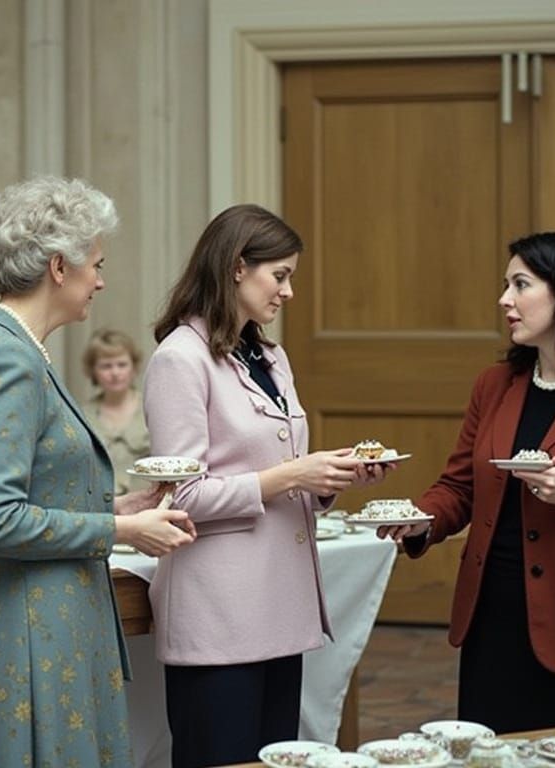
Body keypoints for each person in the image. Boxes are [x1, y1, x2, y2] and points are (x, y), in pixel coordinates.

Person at [0, 175, 196, 767]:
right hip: (31, 631)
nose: (100, 280)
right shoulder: (9, 359)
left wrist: (114, 508)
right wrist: (123, 533)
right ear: (58, 266)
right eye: (95, 264)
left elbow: (29, 491)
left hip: (25, 620)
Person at [142, 203, 390, 768]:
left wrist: (329, 476)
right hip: (219, 615)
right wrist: (291, 475)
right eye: (279, 275)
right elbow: (180, 496)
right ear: (235, 267)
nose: (288, 292)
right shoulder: (180, 359)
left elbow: (282, 465)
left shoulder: (270, 356)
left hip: (280, 608)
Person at [379, 232, 555, 733]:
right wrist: (418, 522)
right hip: (493, 619)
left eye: (521, 285)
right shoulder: (495, 384)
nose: (505, 300)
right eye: (506, 285)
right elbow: (459, 487)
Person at [81, 328, 150, 493]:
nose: (115, 373)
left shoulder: (151, 408)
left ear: (134, 367)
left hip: (148, 506)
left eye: (122, 364)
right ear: (93, 371)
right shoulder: (81, 415)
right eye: (106, 366)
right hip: (101, 510)